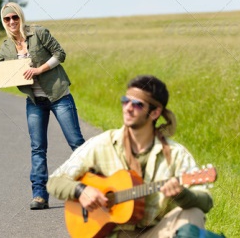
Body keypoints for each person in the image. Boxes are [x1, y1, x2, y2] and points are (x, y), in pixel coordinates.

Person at [0, 2, 85, 210]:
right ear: (3, 22)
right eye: (7, 19)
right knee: (38, 148)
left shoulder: (38, 33)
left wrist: (39, 70)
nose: (12, 22)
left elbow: (60, 54)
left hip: (58, 95)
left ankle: (95, 187)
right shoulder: (7, 47)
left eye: (15, 17)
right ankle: (39, 195)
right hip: (35, 102)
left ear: (20, 17)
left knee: (76, 143)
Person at [47, 75, 213, 237]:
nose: (128, 108)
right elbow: (54, 181)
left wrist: (183, 194)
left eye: (137, 104)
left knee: (193, 213)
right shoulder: (102, 144)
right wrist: (81, 190)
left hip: (155, 232)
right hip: (110, 233)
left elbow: (205, 201)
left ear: (155, 113)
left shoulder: (176, 154)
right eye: (125, 101)